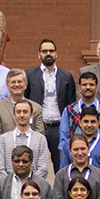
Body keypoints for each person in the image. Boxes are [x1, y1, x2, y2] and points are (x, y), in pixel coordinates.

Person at [25, 39, 76, 173]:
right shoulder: (29, 75)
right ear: (39, 54)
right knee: (33, 163)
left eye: (51, 51)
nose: (48, 54)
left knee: (61, 166)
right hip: (37, 126)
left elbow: (71, 105)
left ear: (56, 54)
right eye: (44, 51)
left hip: (59, 127)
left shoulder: (66, 76)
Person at [58, 72, 100, 154]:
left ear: (97, 87)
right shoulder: (69, 110)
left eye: (91, 85)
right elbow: (63, 142)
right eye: (84, 84)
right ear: (79, 87)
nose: (88, 87)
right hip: (76, 157)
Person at [60, 106, 100, 187]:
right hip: (74, 192)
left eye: (93, 122)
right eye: (86, 121)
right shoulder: (68, 144)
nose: (89, 125)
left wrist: (97, 188)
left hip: (99, 191)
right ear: (80, 123)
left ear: (98, 123)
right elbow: (64, 170)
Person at [0, 99, 50, 180]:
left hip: (32, 189)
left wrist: (29, 184)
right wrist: (12, 184)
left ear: (32, 114)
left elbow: (43, 169)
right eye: (18, 112)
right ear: (14, 115)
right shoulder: (4, 139)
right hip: (9, 187)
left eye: (25, 111)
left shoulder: (40, 139)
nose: (22, 115)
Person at [53, 134, 100, 199]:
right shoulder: (61, 175)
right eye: (76, 149)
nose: (80, 153)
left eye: (83, 149)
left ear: (88, 149)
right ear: (70, 151)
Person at [0, 69, 44, 147]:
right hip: (5, 154)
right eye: (13, 82)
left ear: (25, 85)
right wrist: (16, 149)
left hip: (31, 154)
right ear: (7, 86)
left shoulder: (36, 108)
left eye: (19, 81)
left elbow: (40, 135)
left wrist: (25, 151)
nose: (17, 84)